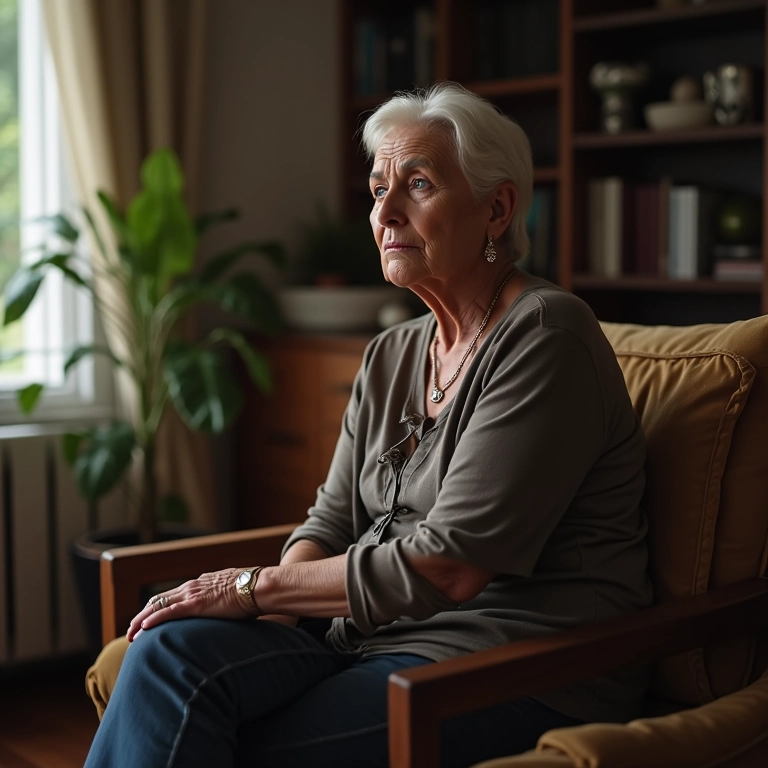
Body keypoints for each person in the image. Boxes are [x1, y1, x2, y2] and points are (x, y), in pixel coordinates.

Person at [83, 82, 652, 768]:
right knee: (165, 655)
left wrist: (248, 588)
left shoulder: (545, 335)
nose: (384, 211)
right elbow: (328, 522)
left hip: (512, 661)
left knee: (232, 743)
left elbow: (450, 565)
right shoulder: (392, 352)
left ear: (497, 208)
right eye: (379, 187)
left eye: (417, 184)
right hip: (366, 639)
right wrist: (277, 617)